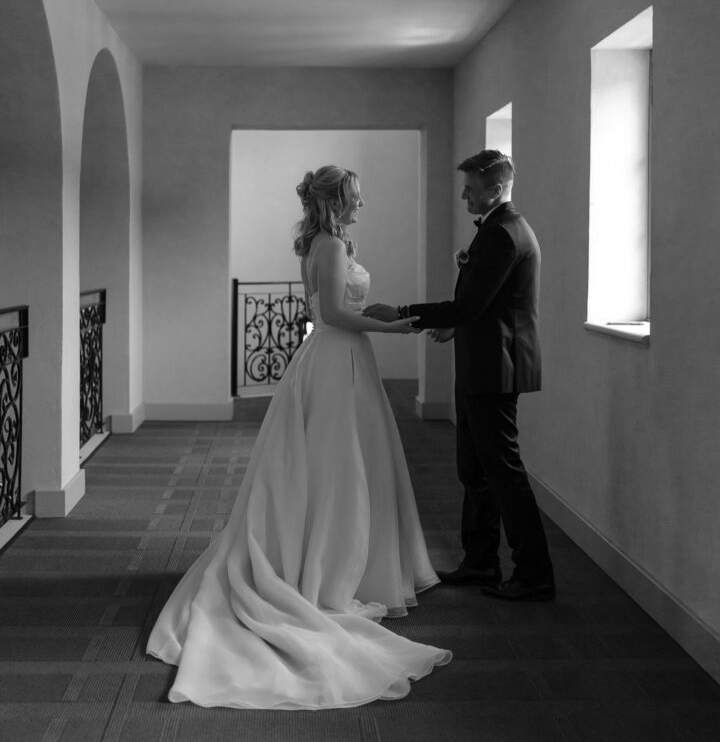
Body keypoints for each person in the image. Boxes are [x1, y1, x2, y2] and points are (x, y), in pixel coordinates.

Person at [146, 165, 451, 708]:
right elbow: (333, 314)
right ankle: (329, 574)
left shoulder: (326, 242)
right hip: (337, 360)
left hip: (340, 360)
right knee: (341, 468)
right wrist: (394, 328)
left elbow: (340, 306)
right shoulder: (329, 244)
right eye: (355, 197)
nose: (361, 205)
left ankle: (334, 562)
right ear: (335, 201)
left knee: (345, 464)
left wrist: (378, 316)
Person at [364, 149, 555, 601]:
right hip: (482, 362)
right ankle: (481, 563)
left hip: (496, 368)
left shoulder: (503, 235)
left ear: (496, 188)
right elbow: (482, 303)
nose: (464, 195)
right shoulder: (499, 229)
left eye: (471, 189)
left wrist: (405, 312)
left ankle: (534, 574)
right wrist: (454, 322)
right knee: (475, 469)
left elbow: (470, 305)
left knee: (503, 473)